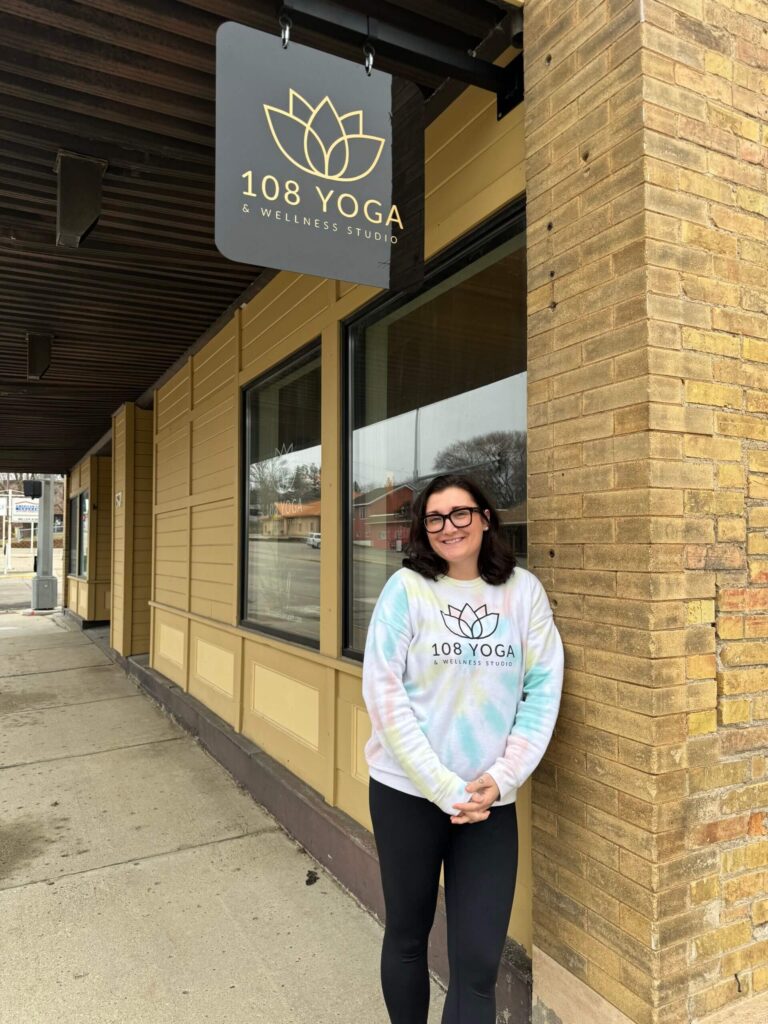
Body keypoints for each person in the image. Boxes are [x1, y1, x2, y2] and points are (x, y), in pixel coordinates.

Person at [362, 473, 564, 1024]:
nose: (448, 527)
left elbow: (543, 689)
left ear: (485, 517)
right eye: (435, 517)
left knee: (477, 965)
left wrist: (503, 776)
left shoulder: (523, 592)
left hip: (488, 802)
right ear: (423, 528)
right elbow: (384, 695)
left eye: (460, 513)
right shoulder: (406, 590)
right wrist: (442, 786)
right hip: (408, 795)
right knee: (408, 934)